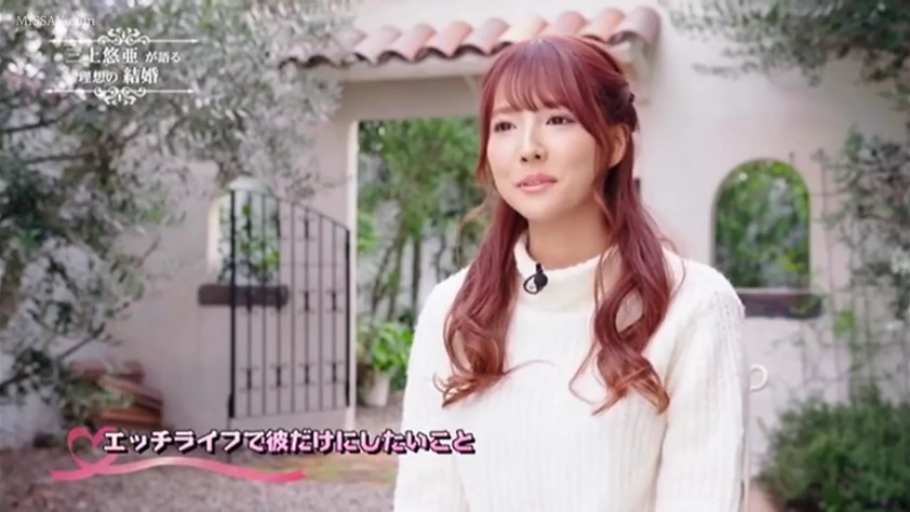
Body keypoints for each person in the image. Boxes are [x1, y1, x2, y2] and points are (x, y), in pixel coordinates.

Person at [393, 34, 748, 512]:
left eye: (557, 119)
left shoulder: (694, 307)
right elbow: (426, 496)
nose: (528, 148)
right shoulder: (455, 310)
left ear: (616, 143)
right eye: (505, 125)